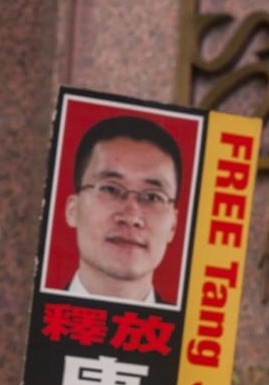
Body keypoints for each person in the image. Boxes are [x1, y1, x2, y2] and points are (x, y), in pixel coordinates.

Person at [63, 115, 183, 303]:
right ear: (73, 210)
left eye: (152, 197)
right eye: (110, 189)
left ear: (173, 227)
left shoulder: (191, 332)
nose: (131, 216)